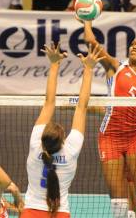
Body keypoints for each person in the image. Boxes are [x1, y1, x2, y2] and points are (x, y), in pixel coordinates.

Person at [80, 19, 136, 218]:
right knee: (119, 204)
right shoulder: (116, 68)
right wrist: (87, 21)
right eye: (133, 44)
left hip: (135, 138)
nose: (134, 47)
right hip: (109, 138)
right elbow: (92, 43)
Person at [20, 42, 104, 218]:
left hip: (30, 212)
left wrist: (54, 64)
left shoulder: (35, 144)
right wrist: (88, 69)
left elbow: (49, 102)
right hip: (59, 213)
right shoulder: (71, 149)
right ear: (63, 140)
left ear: (42, 138)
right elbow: (82, 106)